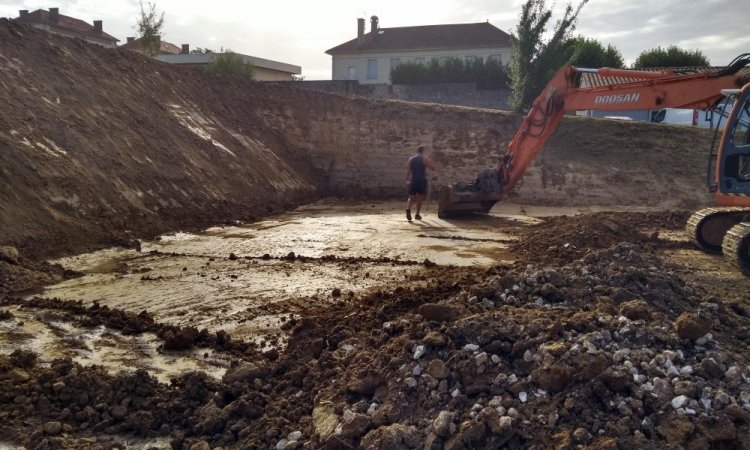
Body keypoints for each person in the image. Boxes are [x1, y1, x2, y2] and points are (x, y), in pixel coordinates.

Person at [405, 144, 436, 221]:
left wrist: (407, 180)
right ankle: (417, 214)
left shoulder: (411, 159)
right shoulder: (424, 159)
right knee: (419, 198)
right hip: (421, 181)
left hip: (413, 180)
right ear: (423, 151)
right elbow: (433, 168)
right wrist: (431, 161)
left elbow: (408, 171)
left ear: (417, 151)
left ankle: (408, 209)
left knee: (411, 197)